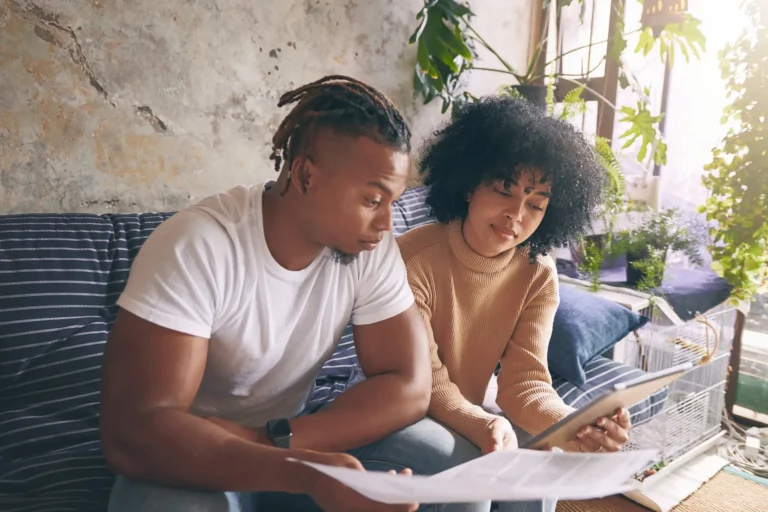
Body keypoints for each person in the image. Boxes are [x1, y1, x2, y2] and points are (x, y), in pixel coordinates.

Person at [100, 75, 433, 512]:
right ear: (305, 175)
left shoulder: (369, 247)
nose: (388, 222)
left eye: (394, 201)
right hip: (191, 459)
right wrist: (301, 471)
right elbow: (136, 434)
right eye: (373, 200)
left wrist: (279, 440)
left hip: (289, 437)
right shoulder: (198, 246)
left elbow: (409, 384)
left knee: (447, 461)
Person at [391, 96, 633, 511]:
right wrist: (485, 423)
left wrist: (574, 427)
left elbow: (525, 382)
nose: (515, 214)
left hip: (469, 411)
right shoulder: (412, 257)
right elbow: (424, 381)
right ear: (469, 184)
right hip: (405, 411)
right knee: (476, 480)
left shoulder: (537, 272)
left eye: (536, 204)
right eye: (504, 190)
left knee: (541, 467)